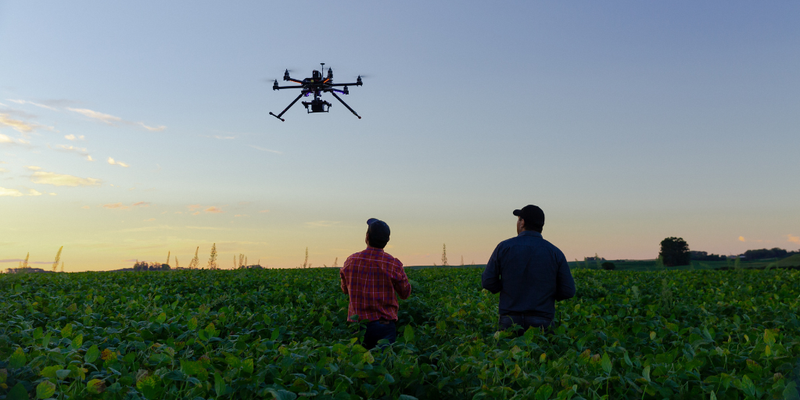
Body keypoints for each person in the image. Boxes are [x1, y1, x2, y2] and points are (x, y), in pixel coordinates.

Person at [481, 205, 576, 335]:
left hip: (510, 320)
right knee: (538, 352)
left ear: (522, 222)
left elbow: (487, 281)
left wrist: (507, 289)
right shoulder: (555, 252)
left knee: (507, 354)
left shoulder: (504, 247)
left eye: (518, 219)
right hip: (542, 321)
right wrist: (547, 294)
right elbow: (568, 290)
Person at [340, 218, 412, 349]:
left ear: (367, 237)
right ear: (387, 241)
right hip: (384, 326)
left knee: (359, 365)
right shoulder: (392, 263)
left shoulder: (351, 261)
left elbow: (344, 289)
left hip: (358, 325)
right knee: (383, 365)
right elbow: (405, 293)